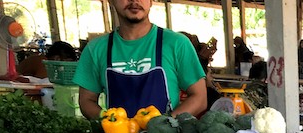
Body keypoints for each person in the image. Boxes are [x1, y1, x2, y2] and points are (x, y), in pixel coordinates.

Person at [74, 0, 207, 119]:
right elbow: (87, 101)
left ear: (151, 1)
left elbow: (199, 98)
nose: (134, 1)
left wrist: (166, 124)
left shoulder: (177, 44)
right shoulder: (96, 49)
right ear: (110, 1)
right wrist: (109, 120)